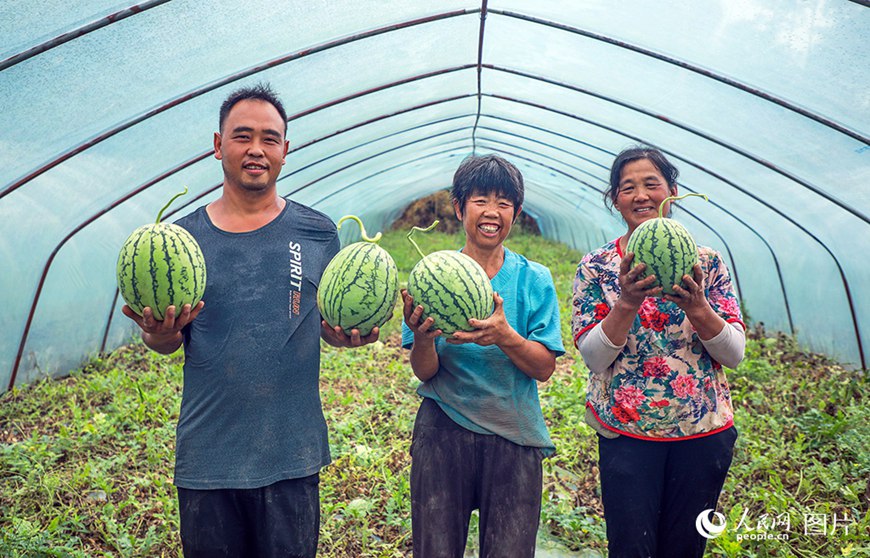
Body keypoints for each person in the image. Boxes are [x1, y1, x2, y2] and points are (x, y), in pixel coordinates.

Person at [121, 82, 378, 558]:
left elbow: (325, 321)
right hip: (208, 457)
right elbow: (168, 342)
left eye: (270, 138)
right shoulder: (181, 241)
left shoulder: (318, 232)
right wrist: (158, 333)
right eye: (242, 136)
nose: (256, 149)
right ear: (218, 146)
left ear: (285, 150)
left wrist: (348, 336)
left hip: (291, 455)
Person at [572, 145, 745, 557]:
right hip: (627, 436)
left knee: (685, 549)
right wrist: (627, 302)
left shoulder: (708, 263)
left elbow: (734, 353)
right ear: (615, 198)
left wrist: (697, 306)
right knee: (631, 548)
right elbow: (594, 358)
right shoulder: (596, 267)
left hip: (702, 434)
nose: (641, 195)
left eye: (652, 184)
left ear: (672, 191)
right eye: (628, 187)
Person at [401, 154, 565, 557]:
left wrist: (506, 337)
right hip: (442, 430)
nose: (492, 212)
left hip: (514, 433)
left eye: (504, 203)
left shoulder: (534, 278)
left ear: (516, 213)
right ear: (459, 207)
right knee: (435, 549)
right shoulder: (432, 277)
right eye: (480, 200)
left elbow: (544, 368)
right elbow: (425, 372)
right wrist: (423, 339)